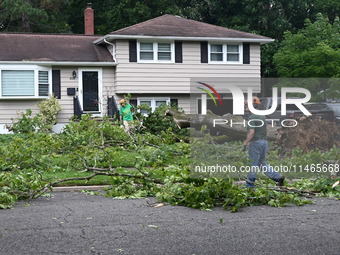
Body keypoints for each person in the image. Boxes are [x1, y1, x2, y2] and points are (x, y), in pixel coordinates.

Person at [243, 97, 285, 188]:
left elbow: (251, 132)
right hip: (264, 142)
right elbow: (266, 130)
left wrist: (245, 143)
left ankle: (249, 185)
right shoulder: (262, 116)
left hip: (255, 143)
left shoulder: (252, 117)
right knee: (262, 163)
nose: (246, 108)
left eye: (247, 106)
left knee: (252, 164)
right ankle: (277, 177)